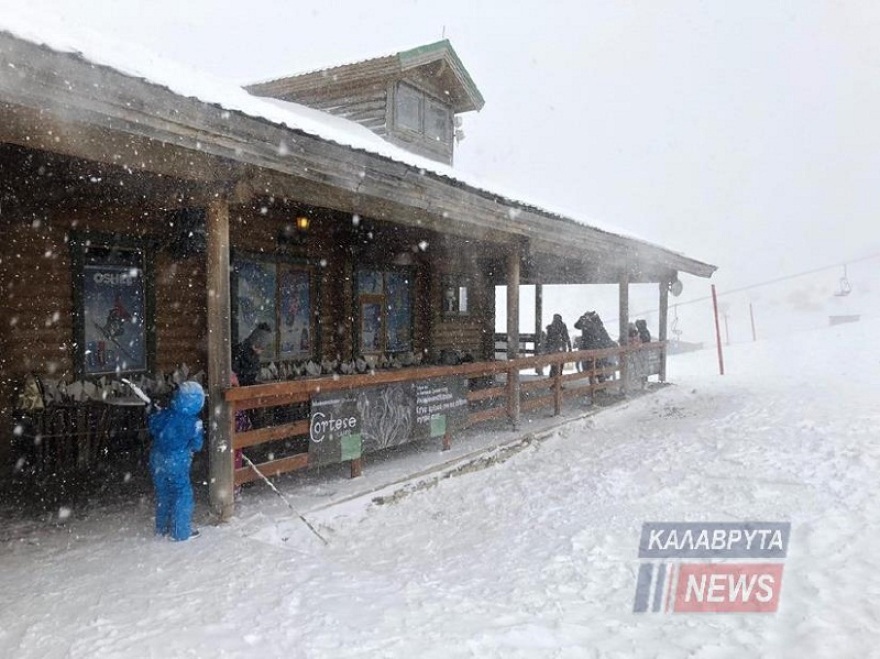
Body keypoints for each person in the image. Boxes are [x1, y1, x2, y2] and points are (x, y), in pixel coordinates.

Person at [148, 381, 205, 541]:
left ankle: (162, 528)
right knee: (182, 494)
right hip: (177, 460)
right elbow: (198, 445)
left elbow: (152, 426)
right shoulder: (194, 423)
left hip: (157, 458)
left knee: (163, 493)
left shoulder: (165, 414)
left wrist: (156, 412)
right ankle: (180, 533)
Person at [233, 322, 272, 386]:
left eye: (263, 347)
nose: (260, 350)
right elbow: (236, 373)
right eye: (259, 346)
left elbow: (253, 374)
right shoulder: (240, 351)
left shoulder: (254, 355)